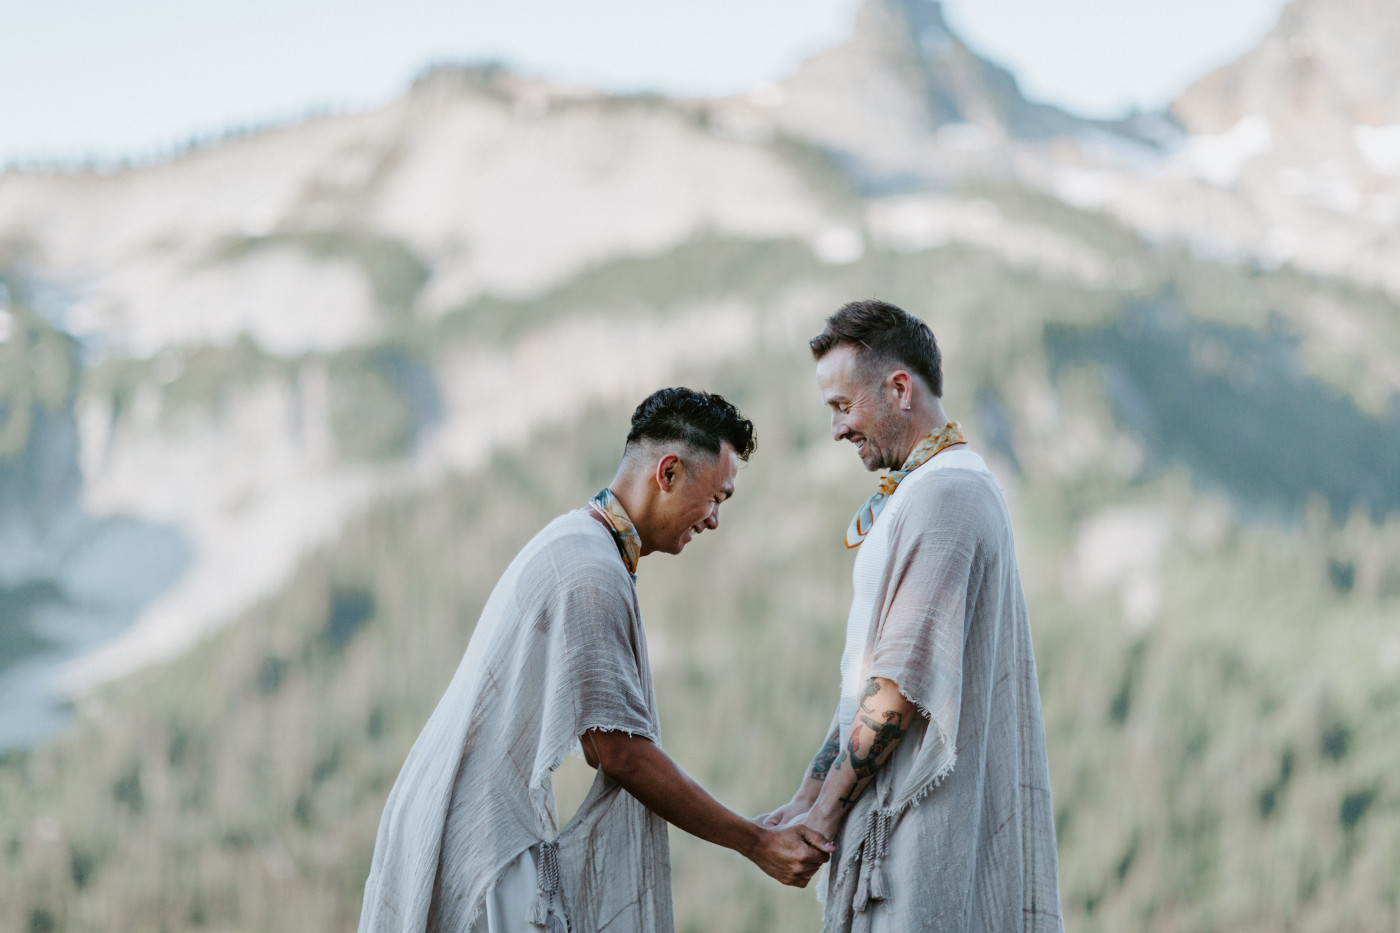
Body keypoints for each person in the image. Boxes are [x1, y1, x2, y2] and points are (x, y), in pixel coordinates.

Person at [359, 387, 832, 933]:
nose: (714, 521)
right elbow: (617, 752)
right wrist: (754, 842)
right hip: (484, 843)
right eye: (717, 499)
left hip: (463, 823)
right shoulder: (591, 570)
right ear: (669, 472)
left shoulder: (578, 541)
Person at [760, 301, 1062, 931]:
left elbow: (898, 688)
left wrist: (822, 822)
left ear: (899, 388)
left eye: (843, 406)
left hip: (922, 836)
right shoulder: (932, 488)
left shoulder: (948, 493)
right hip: (898, 830)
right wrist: (804, 797)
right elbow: (871, 684)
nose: (837, 429)